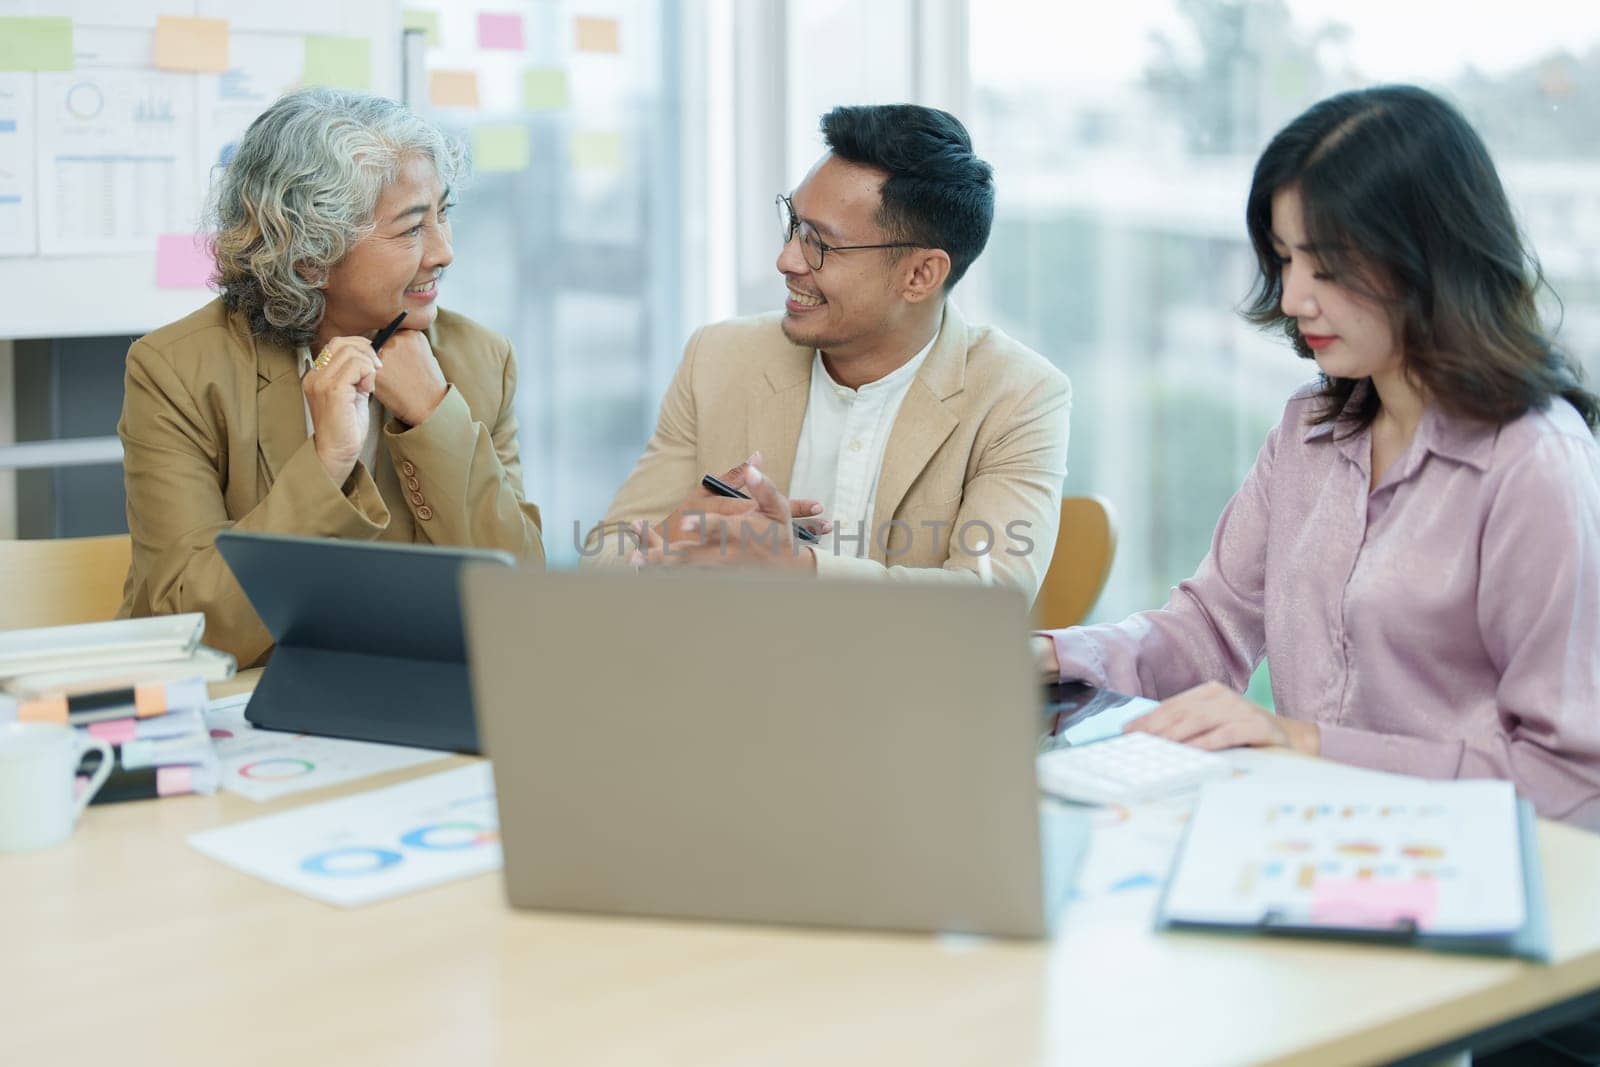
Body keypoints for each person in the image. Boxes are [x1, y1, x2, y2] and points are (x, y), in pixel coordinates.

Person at [1036, 85, 1600, 832]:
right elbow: (1206, 632)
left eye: (1326, 265)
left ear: (1428, 255)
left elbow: (1569, 780)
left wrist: (1305, 742)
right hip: (1310, 843)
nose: (1295, 296)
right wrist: (1047, 655)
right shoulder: (1309, 428)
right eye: (1284, 258)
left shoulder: (1534, 462)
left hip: (1464, 869)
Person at [118, 88, 545, 667]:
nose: (444, 252)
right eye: (411, 229)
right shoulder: (178, 371)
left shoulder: (479, 360)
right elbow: (190, 626)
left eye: (443, 214)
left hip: (414, 698)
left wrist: (434, 417)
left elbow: (520, 602)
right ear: (310, 257)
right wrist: (325, 464)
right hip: (242, 712)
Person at [583, 105, 1071, 600]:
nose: (787, 259)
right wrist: (667, 544)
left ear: (920, 275)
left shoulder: (1018, 395)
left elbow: (988, 605)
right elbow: (603, 558)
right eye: (794, 224)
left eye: (820, 244)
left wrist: (797, 567)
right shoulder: (718, 358)